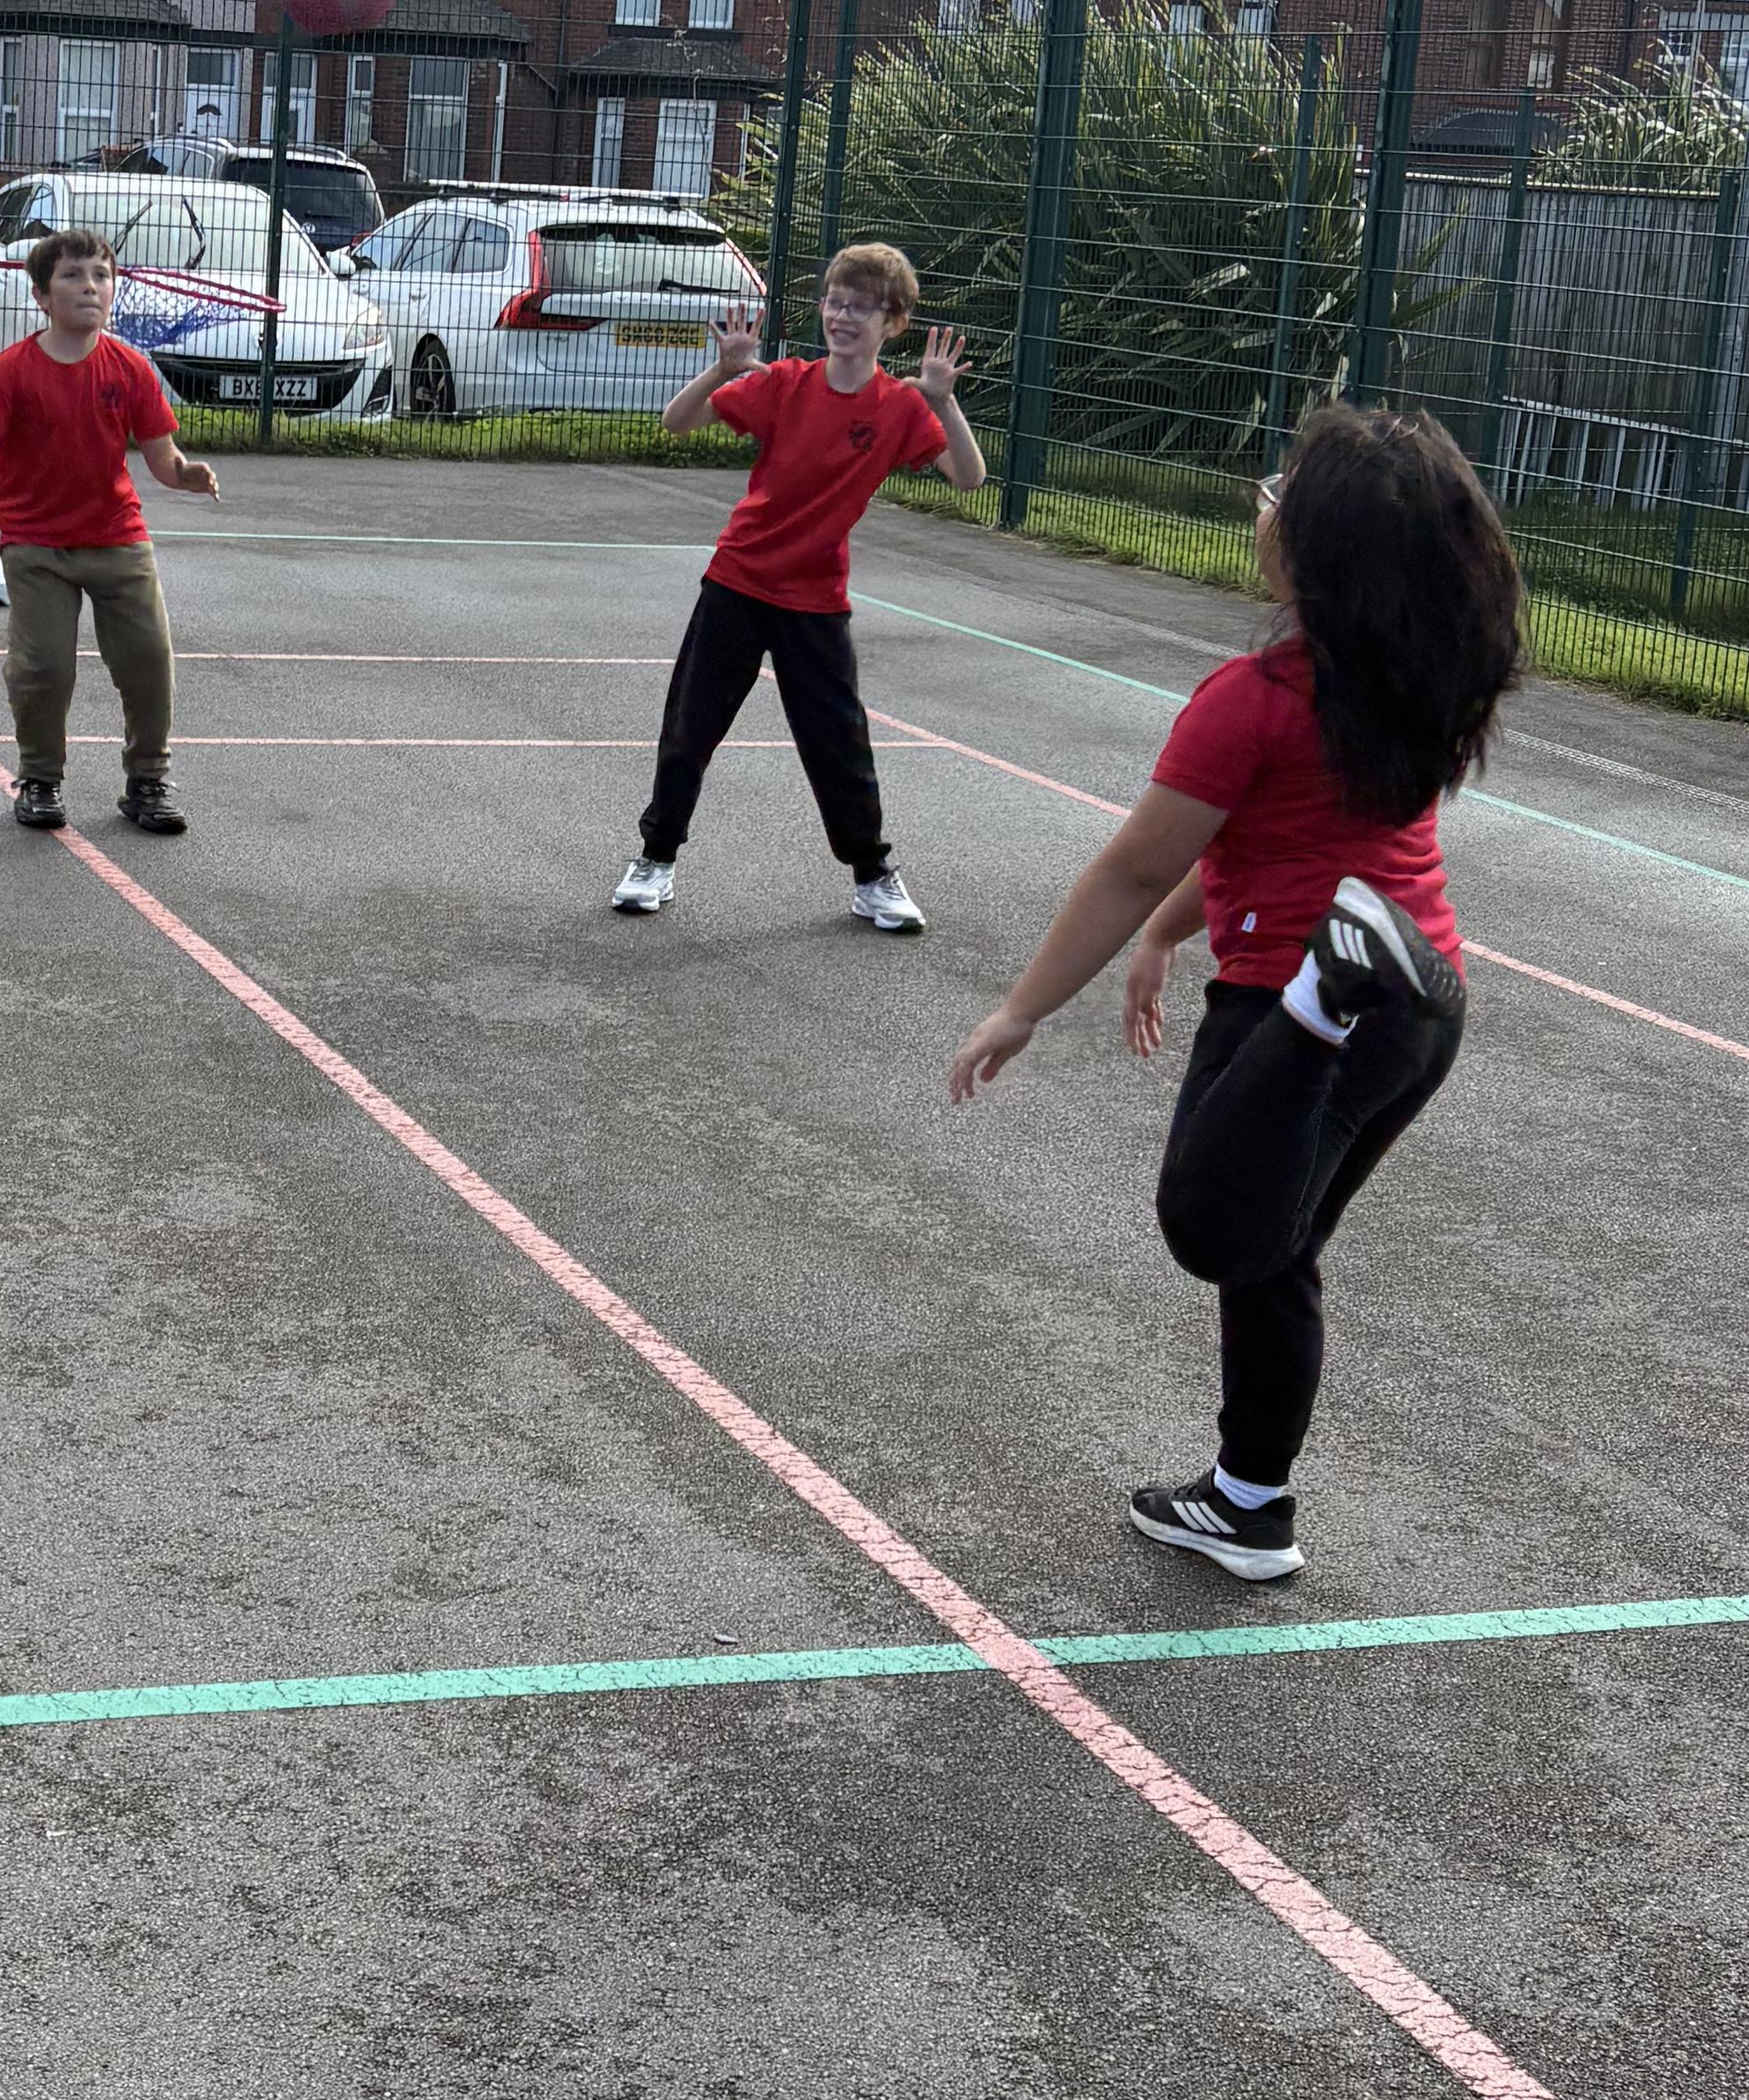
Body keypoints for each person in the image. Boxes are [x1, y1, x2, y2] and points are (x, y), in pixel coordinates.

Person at [945, 403, 1523, 1580]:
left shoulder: (1253, 697)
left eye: (1279, 493)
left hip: (1299, 1005)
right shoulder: (1409, 675)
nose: (1262, 503)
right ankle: (1249, 1504)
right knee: (1275, 1250)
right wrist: (1170, 935)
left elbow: (1133, 864)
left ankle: (1324, 994)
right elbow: (1269, 846)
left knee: (1209, 1223)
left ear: (1308, 551)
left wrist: (1023, 1007)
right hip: (1424, 1010)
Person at [611, 241, 985, 929]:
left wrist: (944, 402)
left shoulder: (900, 407)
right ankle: (654, 859)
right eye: (835, 302)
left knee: (839, 743)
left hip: (815, 602)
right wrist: (722, 369)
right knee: (691, 728)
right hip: (737, 582)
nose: (843, 317)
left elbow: (969, 477)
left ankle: (873, 876)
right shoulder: (785, 382)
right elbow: (677, 422)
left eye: (861, 307)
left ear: (893, 323)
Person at [0, 225, 220, 835]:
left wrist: (184, 474)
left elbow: (163, 458)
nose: (90, 287)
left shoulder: (130, 368)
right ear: (41, 296)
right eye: (73, 276)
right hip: (37, 546)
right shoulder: (12, 371)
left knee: (148, 659)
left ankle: (147, 781)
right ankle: (40, 778)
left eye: (101, 276)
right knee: (44, 667)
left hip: (117, 539)